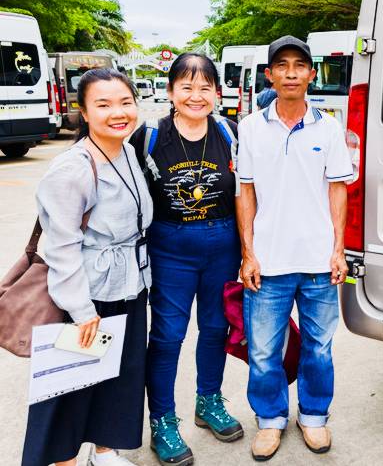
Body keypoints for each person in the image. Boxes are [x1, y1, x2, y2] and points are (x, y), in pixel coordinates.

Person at [23, 68, 153, 466]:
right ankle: (64, 460)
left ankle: (105, 451)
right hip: (87, 292)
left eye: (125, 102)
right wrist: (81, 310)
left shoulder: (128, 152)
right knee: (70, 384)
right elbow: (62, 246)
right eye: (104, 104)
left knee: (119, 376)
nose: (118, 112)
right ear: (84, 111)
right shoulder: (73, 168)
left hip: (129, 284)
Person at [236, 35, 351, 460]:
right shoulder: (250, 127)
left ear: (311, 74)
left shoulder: (329, 127)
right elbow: (245, 192)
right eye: (281, 66)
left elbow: (337, 190)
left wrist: (338, 250)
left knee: (319, 348)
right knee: (264, 350)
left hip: (319, 261)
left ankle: (314, 417)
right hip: (268, 262)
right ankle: (270, 420)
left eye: (299, 65)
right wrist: (248, 253)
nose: (290, 73)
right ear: (269, 75)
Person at [130, 53, 243, 466]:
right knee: (167, 336)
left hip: (224, 245)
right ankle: (162, 420)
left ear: (217, 92)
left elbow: (248, 192)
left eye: (205, 87)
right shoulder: (149, 137)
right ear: (171, 91)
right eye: (186, 87)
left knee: (215, 328)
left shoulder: (231, 132)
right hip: (170, 248)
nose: (196, 96)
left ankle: (208, 401)